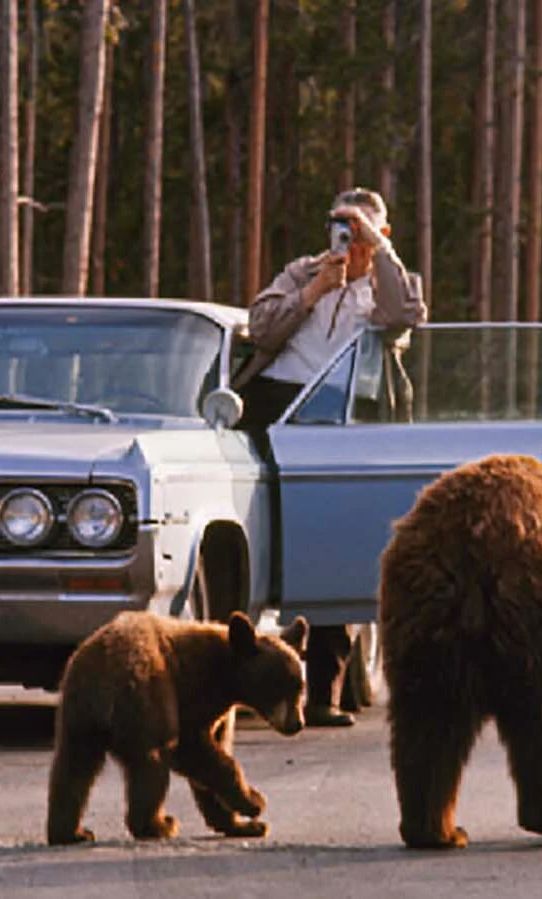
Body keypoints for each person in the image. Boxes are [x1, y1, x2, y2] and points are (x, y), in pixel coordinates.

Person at [233, 187, 427, 727]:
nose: (348, 237)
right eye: (339, 224)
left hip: (350, 416)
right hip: (280, 404)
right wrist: (316, 288)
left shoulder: (388, 280)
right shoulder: (302, 272)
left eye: (359, 227)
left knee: (333, 546)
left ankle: (322, 692)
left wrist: (378, 255)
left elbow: (405, 314)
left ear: (382, 233)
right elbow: (263, 326)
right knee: (271, 539)